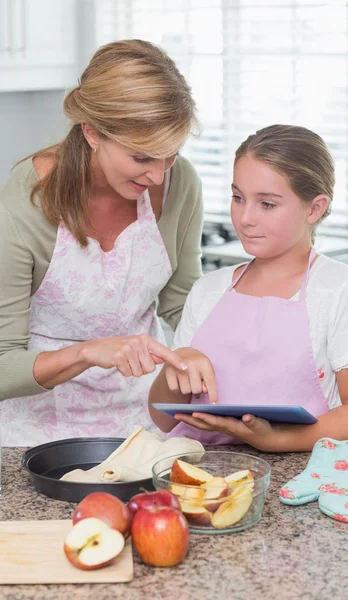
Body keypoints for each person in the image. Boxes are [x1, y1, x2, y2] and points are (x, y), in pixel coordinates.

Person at [0, 39, 204, 446]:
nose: (158, 175)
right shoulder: (24, 202)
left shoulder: (179, 182)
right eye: (142, 157)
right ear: (93, 132)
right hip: (40, 442)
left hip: (146, 431)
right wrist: (87, 353)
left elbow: (181, 303)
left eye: (170, 154)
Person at [149, 124, 348, 452]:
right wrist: (179, 362)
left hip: (291, 473)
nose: (244, 218)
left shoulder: (336, 290)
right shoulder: (208, 290)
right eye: (238, 198)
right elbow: (164, 419)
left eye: (267, 204)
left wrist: (278, 439)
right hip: (196, 470)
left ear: (314, 208)